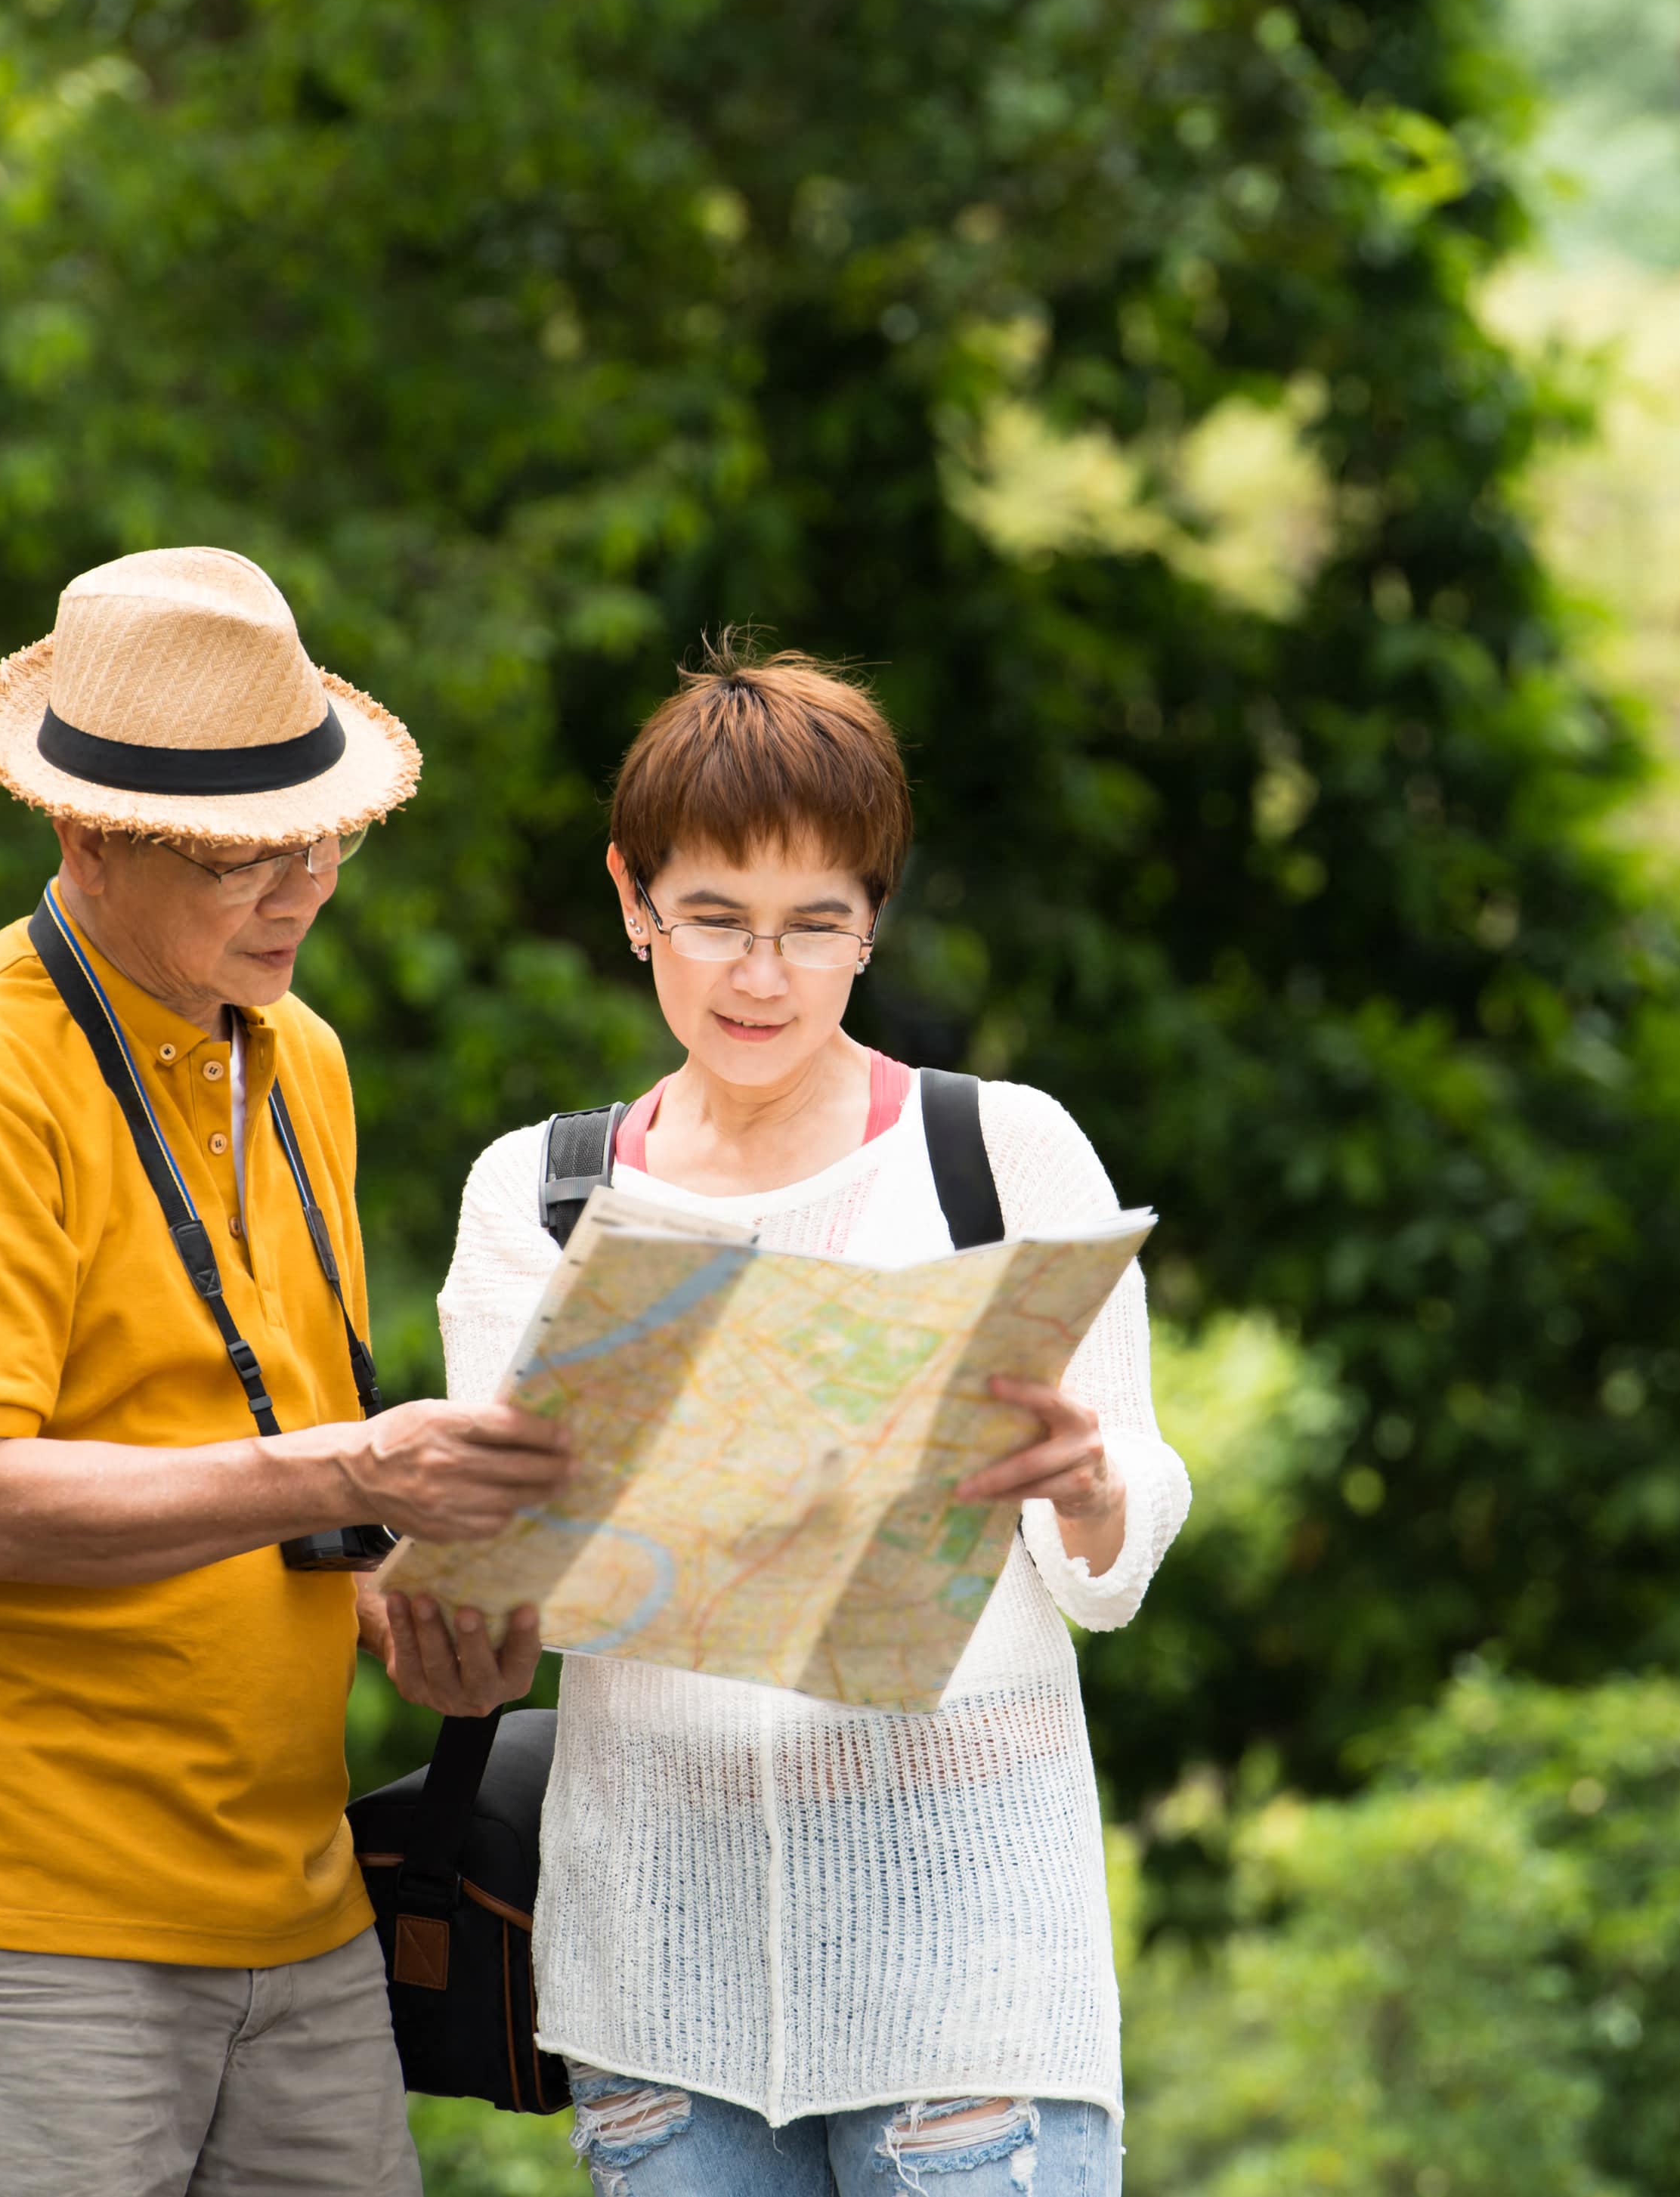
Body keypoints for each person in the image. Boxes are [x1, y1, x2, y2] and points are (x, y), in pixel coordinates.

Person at [0, 546, 575, 2197]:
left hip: (295, 1897)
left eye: (322, 839)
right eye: (240, 860)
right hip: (19, 1904)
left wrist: (401, 1601)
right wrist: (354, 1473)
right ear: (86, 837)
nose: (302, 889)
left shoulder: (300, 1058)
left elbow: (242, 1433)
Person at [436, 647, 1190, 2197]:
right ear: (631, 896)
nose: (758, 976)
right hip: (659, 1988)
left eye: (812, 926)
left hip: (972, 1969)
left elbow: (1117, 1548)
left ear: (873, 922)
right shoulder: (542, 1194)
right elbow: (500, 1565)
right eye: (710, 918)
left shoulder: (1000, 1151)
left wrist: (1089, 1485)